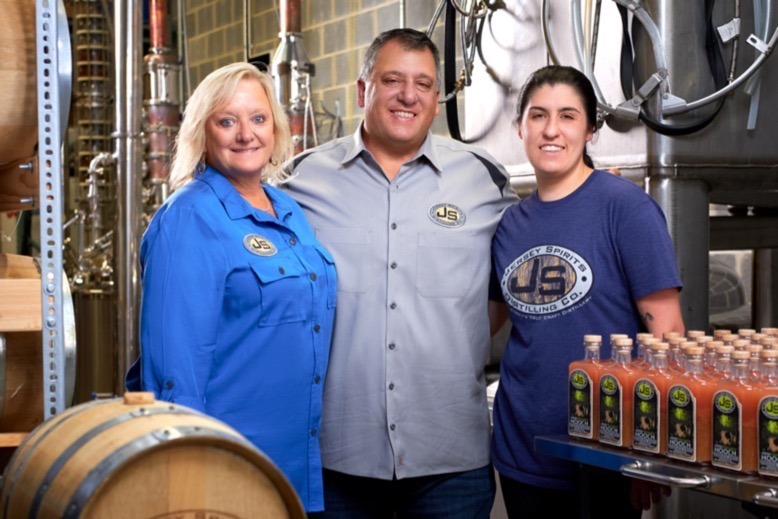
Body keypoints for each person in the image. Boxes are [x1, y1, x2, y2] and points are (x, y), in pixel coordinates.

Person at [281, 28, 518, 517]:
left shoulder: (484, 182)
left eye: (423, 84)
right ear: (364, 90)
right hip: (337, 460)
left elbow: (505, 294)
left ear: (436, 99)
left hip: (450, 461)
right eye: (393, 80)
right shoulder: (301, 183)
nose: (408, 95)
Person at [125, 62, 337, 513]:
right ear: (203, 132)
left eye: (258, 119)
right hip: (227, 474)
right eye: (227, 121)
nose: (246, 134)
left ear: (276, 128)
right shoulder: (189, 218)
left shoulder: (287, 208)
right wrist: (188, 485)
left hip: (298, 470)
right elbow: (174, 375)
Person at [490, 65, 685, 518]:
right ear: (521, 128)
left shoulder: (625, 208)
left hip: (606, 452)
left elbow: (669, 334)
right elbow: (486, 322)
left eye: (568, 116)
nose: (551, 130)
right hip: (523, 451)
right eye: (537, 116)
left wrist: (650, 446)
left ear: (591, 130)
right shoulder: (509, 227)